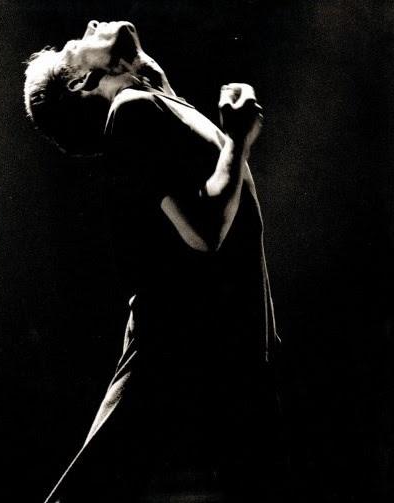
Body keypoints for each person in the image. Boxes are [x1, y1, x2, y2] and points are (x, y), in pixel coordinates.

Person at [25, 20, 281, 503]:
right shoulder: (132, 111)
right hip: (181, 347)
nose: (89, 25)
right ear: (82, 82)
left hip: (221, 350)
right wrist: (238, 139)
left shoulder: (156, 106)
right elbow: (205, 231)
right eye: (74, 45)